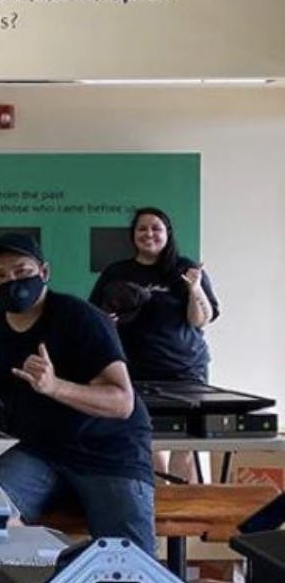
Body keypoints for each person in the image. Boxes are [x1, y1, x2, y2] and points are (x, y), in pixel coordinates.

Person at [0, 233, 156, 555]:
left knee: (129, 559)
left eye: (22, 272)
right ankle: (36, 571)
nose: (12, 282)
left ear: (44, 272)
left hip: (109, 453)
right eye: (0, 275)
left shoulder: (82, 318)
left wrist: (55, 387)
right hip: (42, 451)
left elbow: (123, 402)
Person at [90, 207, 219, 483]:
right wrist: (108, 320)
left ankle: (187, 519)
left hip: (185, 371)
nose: (149, 234)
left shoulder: (186, 269)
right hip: (135, 372)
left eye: (156, 228)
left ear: (167, 234)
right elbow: (96, 318)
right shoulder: (117, 272)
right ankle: (158, 515)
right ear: (133, 235)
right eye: (142, 229)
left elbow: (200, 320)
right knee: (148, 442)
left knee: (187, 448)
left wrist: (194, 288)